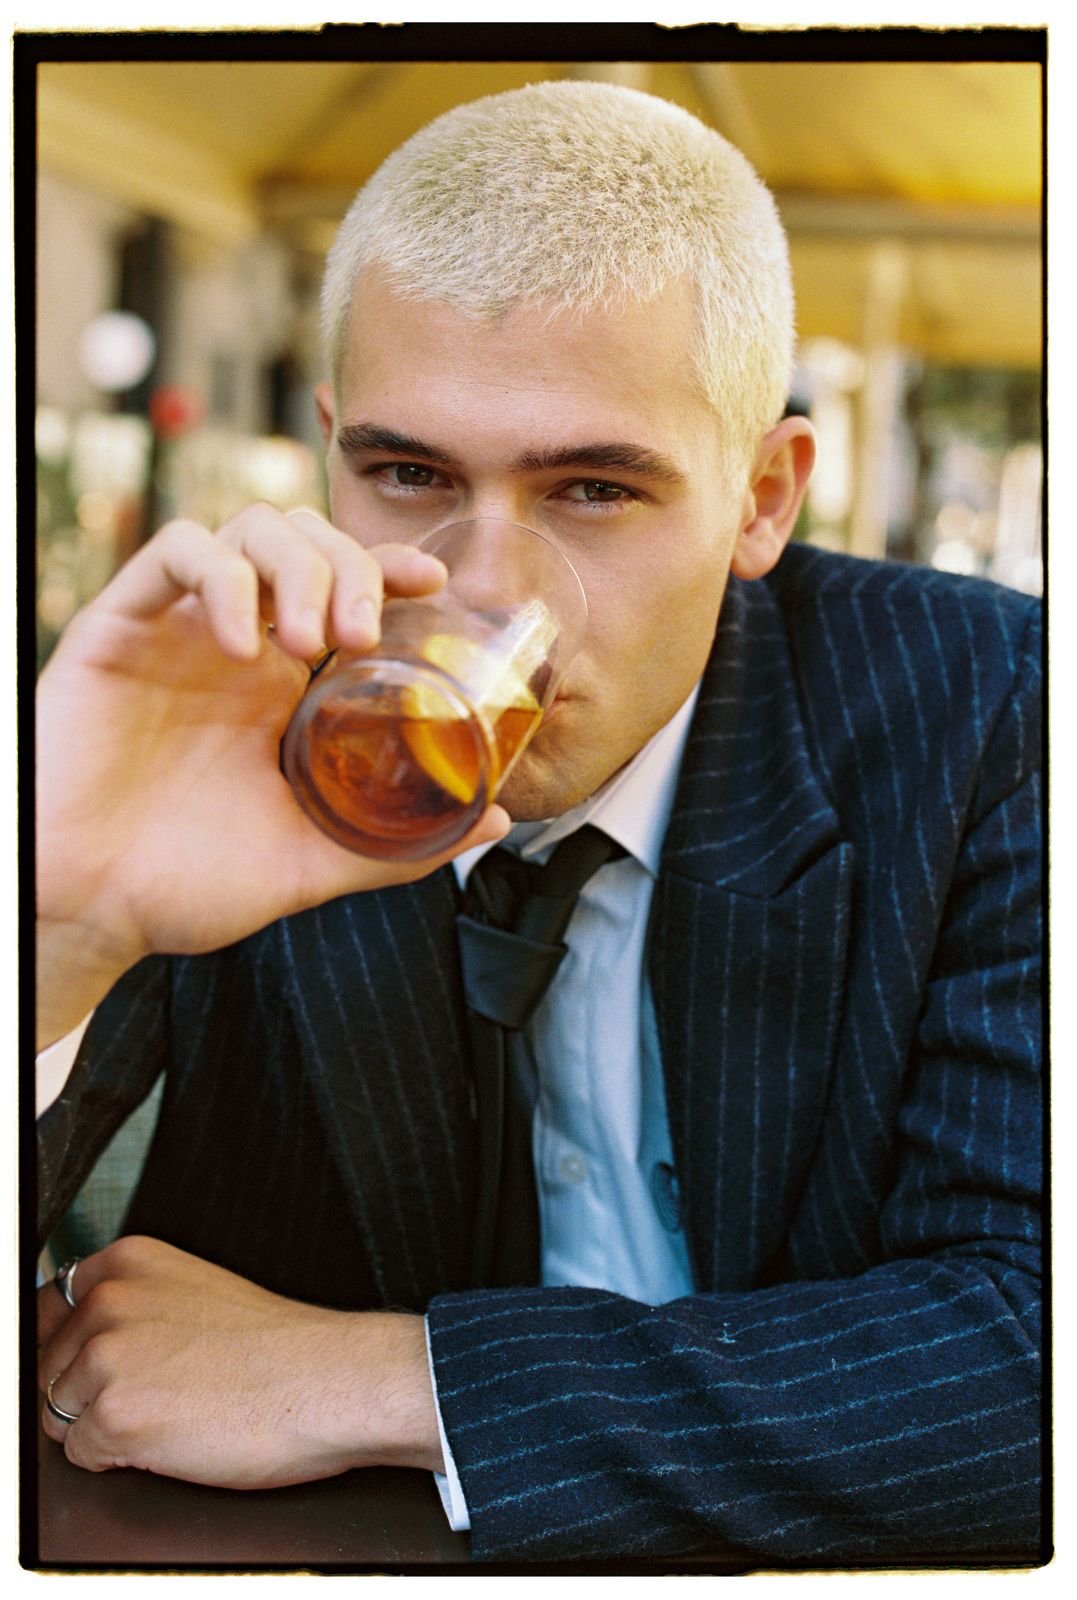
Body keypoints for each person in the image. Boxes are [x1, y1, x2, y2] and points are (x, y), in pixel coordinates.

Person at [35, 80, 1042, 1565]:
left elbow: (1033, 1354)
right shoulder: (229, 708)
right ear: (327, 451)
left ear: (761, 496)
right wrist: (61, 930)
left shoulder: (991, 711)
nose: (484, 585)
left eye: (590, 488)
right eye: (406, 474)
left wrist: (393, 1379)